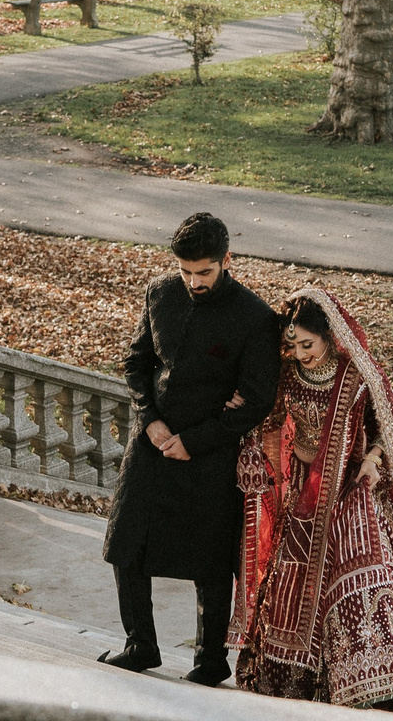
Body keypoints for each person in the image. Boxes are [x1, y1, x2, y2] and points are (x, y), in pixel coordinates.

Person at [229, 288, 393, 720]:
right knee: (292, 582)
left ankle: (377, 680)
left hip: (351, 489)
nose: (300, 352)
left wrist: (374, 462)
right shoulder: (285, 374)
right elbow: (268, 416)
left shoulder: (355, 377)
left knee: (362, 577)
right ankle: (299, 684)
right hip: (302, 492)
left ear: (329, 336)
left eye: (308, 343)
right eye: (293, 344)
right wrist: (247, 425)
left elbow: (385, 431)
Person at [100, 212, 282, 684]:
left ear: (227, 260)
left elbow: (258, 400)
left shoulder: (255, 318)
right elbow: (137, 362)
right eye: (186, 271)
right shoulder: (160, 292)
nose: (194, 281)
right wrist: (150, 419)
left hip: (212, 451)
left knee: (212, 561)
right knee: (125, 543)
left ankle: (210, 661)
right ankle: (139, 644)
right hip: (153, 442)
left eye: (204, 271)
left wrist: (196, 442)